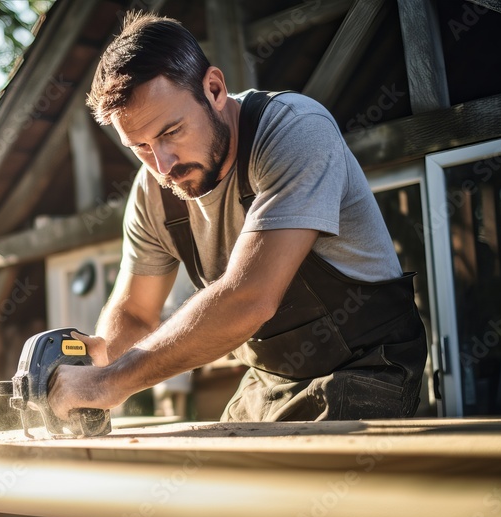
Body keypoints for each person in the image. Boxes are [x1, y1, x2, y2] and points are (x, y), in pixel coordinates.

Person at [48, 11, 428, 422]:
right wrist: (93, 374)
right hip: (268, 379)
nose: (162, 164)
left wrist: (110, 383)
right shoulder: (152, 193)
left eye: (171, 132)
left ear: (213, 88)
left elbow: (249, 298)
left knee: (307, 482)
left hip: (368, 367)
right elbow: (136, 314)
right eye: (139, 145)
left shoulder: (294, 130)